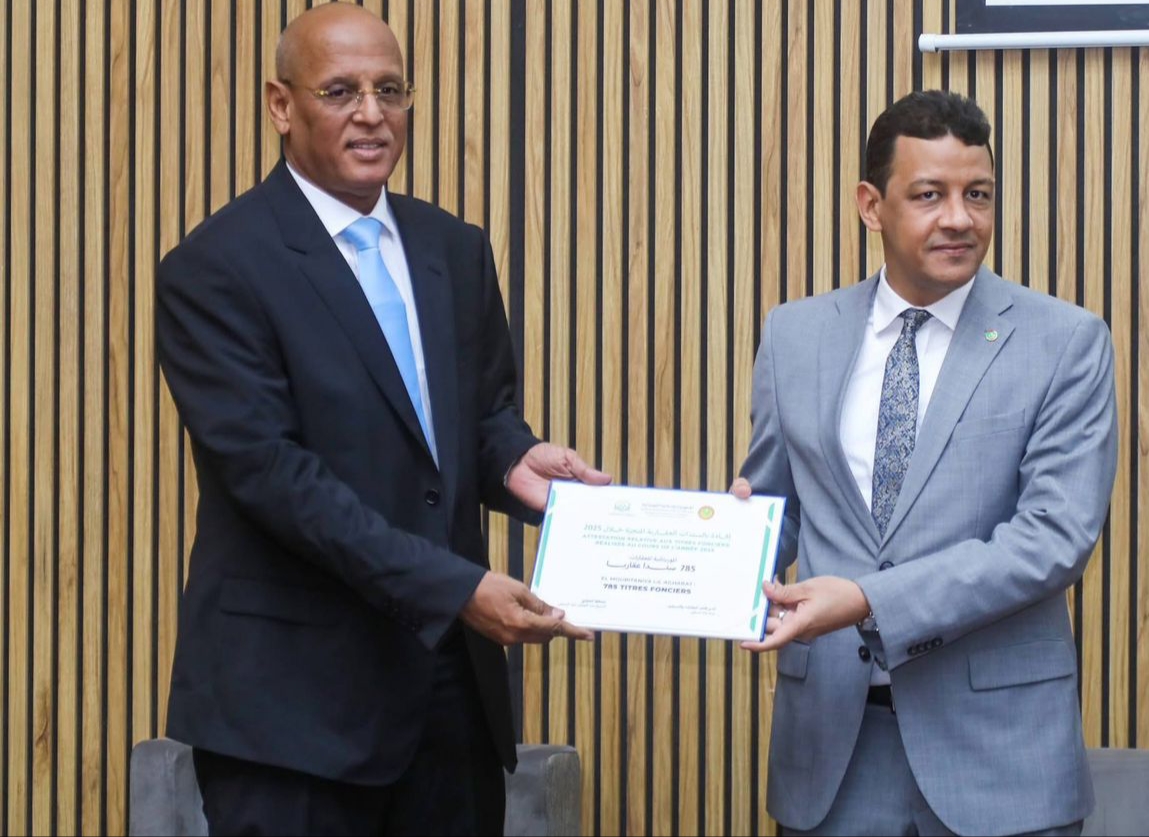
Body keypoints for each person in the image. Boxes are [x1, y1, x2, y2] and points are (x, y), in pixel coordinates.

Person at [155, 4, 609, 834]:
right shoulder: (215, 267)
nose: (371, 113)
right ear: (281, 105)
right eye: (340, 91)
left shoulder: (453, 248)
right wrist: (456, 587)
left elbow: (478, 417)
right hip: (291, 716)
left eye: (389, 89)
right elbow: (273, 477)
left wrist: (515, 461)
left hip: (448, 704)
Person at [733, 90, 1117, 836]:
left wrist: (866, 599)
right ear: (870, 205)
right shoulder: (794, 335)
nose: (959, 218)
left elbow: (1051, 539)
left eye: (978, 194)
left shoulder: (1064, 342)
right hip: (833, 756)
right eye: (929, 194)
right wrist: (715, 557)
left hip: (1000, 759)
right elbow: (774, 510)